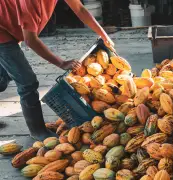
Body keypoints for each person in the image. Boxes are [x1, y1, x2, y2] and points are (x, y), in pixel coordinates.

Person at [0, 0, 115, 141]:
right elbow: (30, 40)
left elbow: (79, 9)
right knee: (27, 82)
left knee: (3, 77)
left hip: (9, 23)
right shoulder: (31, 3)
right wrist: (61, 63)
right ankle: (37, 131)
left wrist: (103, 34)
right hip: (2, 32)